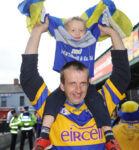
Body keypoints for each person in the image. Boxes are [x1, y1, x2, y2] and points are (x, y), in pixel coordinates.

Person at [20, 16, 130, 150]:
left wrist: (113, 33)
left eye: (83, 83)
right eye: (72, 83)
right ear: (62, 85)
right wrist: (36, 32)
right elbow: (28, 77)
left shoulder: (102, 101)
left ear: (89, 83)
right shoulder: (50, 104)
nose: (78, 90)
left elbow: (122, 75)